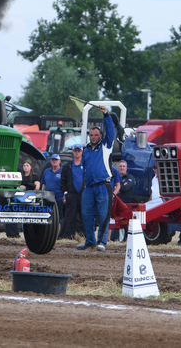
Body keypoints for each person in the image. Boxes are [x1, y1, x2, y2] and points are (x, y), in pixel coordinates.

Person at [77, 105, 114, 251]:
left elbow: (110, 131)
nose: (93, 137)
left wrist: (106, 114)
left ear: (100, 136)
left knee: (104, 215)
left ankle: (102, 242)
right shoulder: (85, 150)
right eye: (91, 135)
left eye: (96, 135)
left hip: (103, 186)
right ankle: (90, 241)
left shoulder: (106, 145)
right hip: (89, 188)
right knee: (86, 214)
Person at [5, 160, 40, 238]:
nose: (25, 167)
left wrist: (27, 188)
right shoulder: (20, 176)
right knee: (12, 214)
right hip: (19, 197)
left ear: (31, 167)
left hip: (30, 198)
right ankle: (12, 233)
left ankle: (33, 235)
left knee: (30, 217)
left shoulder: (35, 176)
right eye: (24, 165)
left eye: (27, 165)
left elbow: (37, 187)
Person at [59, 145, 84, 239]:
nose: (77, 152)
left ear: (81, 152)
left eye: (79, 150)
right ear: (73, 152)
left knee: (84, 215)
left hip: (83, 195)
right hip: (71, 194)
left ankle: (83, 235)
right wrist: (65, 192)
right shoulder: (67, 166)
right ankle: (69, 236)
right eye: (75, 151)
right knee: (70, 215)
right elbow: (63, 181)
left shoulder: (85, 165)